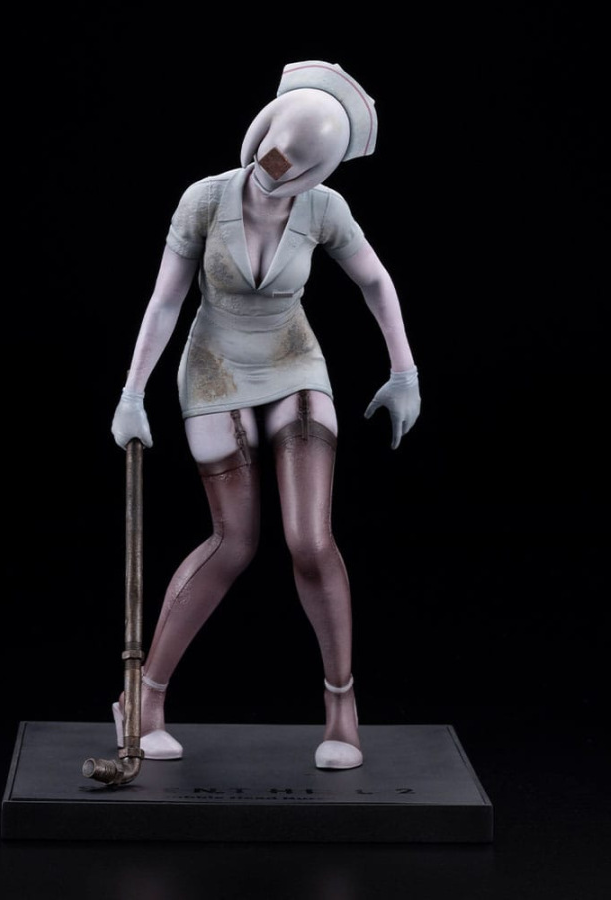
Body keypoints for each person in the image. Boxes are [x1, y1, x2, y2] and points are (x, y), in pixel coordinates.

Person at [110, 61, 420, 769]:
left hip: (292, 359)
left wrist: (405, 372)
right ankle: (142, 699)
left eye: (300, 168)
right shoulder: (203, 200)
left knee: (310, 538)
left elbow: (376, 280)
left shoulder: (324, 208)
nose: (279, 175)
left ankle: (341, 708)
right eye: (279, 157)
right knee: (235, 542)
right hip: (215, 366)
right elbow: (165, 301)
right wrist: (132, 393)